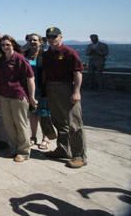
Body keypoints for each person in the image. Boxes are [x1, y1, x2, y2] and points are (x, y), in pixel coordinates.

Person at [42, 27, 87, 169]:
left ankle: (79, 155)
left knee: (74, 124)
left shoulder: (69, 52)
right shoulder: (47, 54)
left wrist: (76, 91)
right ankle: (62, 149)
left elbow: (78, 73)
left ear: (61, 37)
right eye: (49, 37)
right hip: (51, 88)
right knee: (59, 122)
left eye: (54, 36)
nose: (52, 39)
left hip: (66, 88)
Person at [0, 35, 37, 162]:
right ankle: (13, 148)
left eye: (8, 44)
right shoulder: (1, 60)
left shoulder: (19, 58)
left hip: (18, 96)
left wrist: (32, 97)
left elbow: (30, 78)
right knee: (8, 124)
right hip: (4, 96)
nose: (5, 47)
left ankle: (23, 151)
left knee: (21, 124)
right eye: (2, 45)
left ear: (13, 45)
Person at [24, 33, 50, 150]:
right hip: (29, 89)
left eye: (35, 40)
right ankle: (33, 136)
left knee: (43, 114)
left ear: (40, 42)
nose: (32, 42)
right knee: (32, 114)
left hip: (41, 88)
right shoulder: (25, 55)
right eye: (30, 40)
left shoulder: (45, 55)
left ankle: (45, 137)